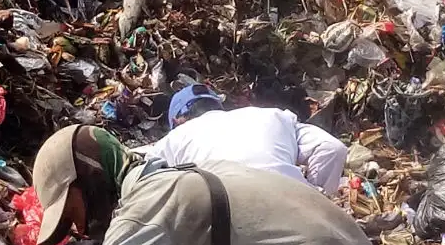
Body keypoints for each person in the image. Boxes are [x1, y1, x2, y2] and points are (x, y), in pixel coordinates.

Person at [33, 124, 381, 245]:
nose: (78, 231)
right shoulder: (198, 170)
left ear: (90, 177)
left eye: (70, 215)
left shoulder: (146, 209)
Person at [137, 84, 348, 197]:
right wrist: (317, 200)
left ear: (177, 120)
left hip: (226, 216)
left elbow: (141, 173)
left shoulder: (174, 138)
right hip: (296, 203)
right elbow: (333, 148)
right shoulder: (273, 115)